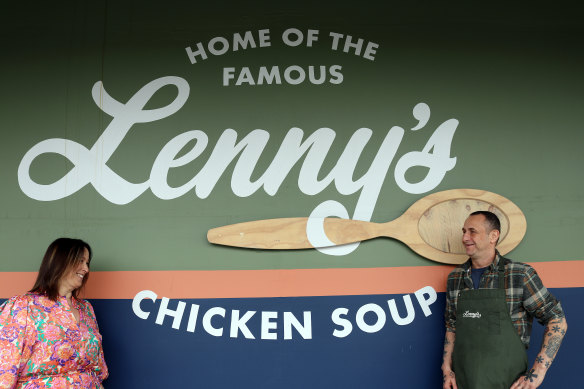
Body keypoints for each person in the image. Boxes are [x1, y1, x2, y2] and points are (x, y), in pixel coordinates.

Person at [442, 211, 567, 389]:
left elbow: (557, 319)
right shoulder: (455, 278)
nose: (464, 237)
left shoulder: (519, 274)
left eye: (472, 231)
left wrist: (538, 372)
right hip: (463, 383)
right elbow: (452, 326)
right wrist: (447, 370)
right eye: (464, 231)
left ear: (494, 236)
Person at [0, 238, 108, 388]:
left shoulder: (86, 309)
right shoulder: (23, 306)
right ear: (60, 262)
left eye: (87, 263)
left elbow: (96, 370)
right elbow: (5, 370)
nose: (86, 269)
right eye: (81, 261)